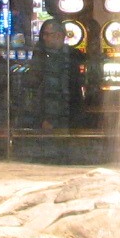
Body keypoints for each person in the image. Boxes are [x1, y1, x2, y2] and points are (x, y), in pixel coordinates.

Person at [18, 19, 84, 160]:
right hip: (58, 115)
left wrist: (50, 118)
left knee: (56, 155)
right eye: (44, 35)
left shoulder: (65, 57)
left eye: (49, 35)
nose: (45, 38)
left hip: (62, 116)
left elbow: (57, 90)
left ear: (60, 35)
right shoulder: (51, 55)